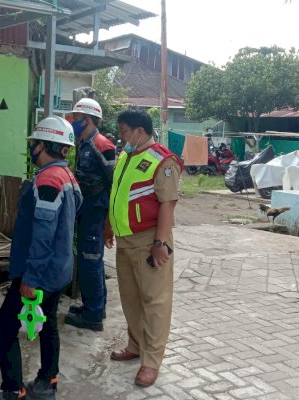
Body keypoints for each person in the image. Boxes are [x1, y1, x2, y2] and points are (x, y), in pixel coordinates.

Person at [0, 116, 82, 400]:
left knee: (5, 326)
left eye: (34, 143)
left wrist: (31, 278)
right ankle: (48, 382)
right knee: (47, 324)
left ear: (44, 145)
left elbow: (43, 234)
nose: (32, 147)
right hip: (59, 269)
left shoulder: (48, 179)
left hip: (39, 272)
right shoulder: (67, 176)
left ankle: (12, 391)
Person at [104, 108, 183, 387]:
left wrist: (160, 243)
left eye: (124, 131)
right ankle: (135, 346)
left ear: (139, 131)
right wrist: (109, 224)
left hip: (150, 242)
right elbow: (118, 194)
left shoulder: (163, 161)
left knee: (154, 302)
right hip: (125, 241)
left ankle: (151, 362)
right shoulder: (127, 155)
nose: (120, 136)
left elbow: (168, 204)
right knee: (131, 299)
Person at [64, 97, 116, 332]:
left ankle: (93, 315)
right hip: (86, 212)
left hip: (96, 213)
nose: (72, 121)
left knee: (91, 260)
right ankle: (93, 306)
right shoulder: (83, 142)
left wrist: (109, 222)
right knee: (89, 261)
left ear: (87, 119)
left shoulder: (101, 144)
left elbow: (114, 183)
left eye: (76, 118)